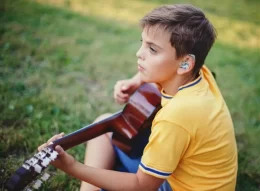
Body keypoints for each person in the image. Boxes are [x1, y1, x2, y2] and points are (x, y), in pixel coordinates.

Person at [38, 4, 238, 191]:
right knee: (103, 127)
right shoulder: (198, 73)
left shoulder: (176, 116)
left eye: (152, 49)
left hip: (176, 187)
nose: (138, 53)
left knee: (109, 148)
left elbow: (142, 185)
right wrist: (137, 80)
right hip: (186, 176)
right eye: (142, 43)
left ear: (185, 63)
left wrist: (72, 166)